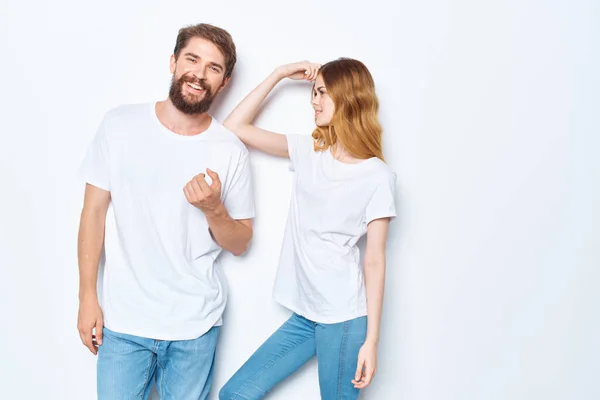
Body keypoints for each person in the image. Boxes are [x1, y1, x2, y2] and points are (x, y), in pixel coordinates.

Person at [77, 23, 254, 400]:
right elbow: (92, 214)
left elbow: (240, 242)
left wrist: (213, 209)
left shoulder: (230, 150)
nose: (199, 74)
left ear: (224, 83)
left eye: (214, 68)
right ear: (173, 62)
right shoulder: (119, 125)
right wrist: (86, 296)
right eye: (192, 59)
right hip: (124, 324)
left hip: (196, 327)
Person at [219, 59, 397, 399]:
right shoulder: (310, 152)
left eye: (323, 93)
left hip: (344, 319)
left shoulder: (377, 176)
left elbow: (374, 259)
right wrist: (278, 74)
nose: (314, 101)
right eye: (314, 92)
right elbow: (234, 126)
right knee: (235, 394)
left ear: (349, 97)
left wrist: (371, 341)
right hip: (306, 314)